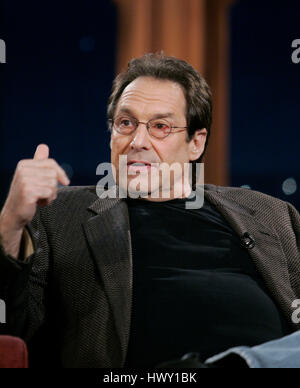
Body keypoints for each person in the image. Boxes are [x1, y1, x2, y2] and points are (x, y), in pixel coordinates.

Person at [0, 52, 300, 368]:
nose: (137, 141)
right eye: (126, 123)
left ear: (196, 143)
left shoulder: (270, 214)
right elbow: (12, 329)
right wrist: (9, 223)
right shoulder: (59, 214)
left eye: (160, 126)